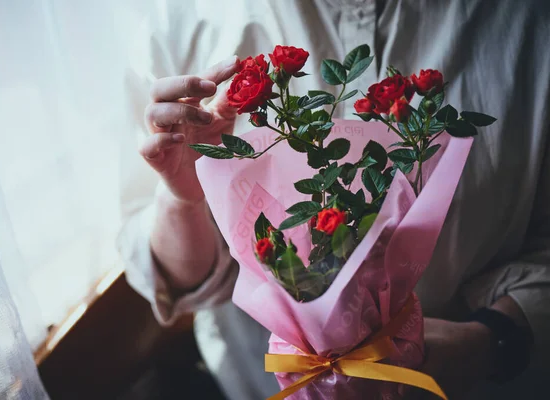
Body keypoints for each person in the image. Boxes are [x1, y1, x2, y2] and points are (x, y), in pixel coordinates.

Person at [118, 0, 550, 398]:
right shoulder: (178, 18)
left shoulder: (528, 23)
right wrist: (184, 198)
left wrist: (489, 339)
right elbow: (167, 280)